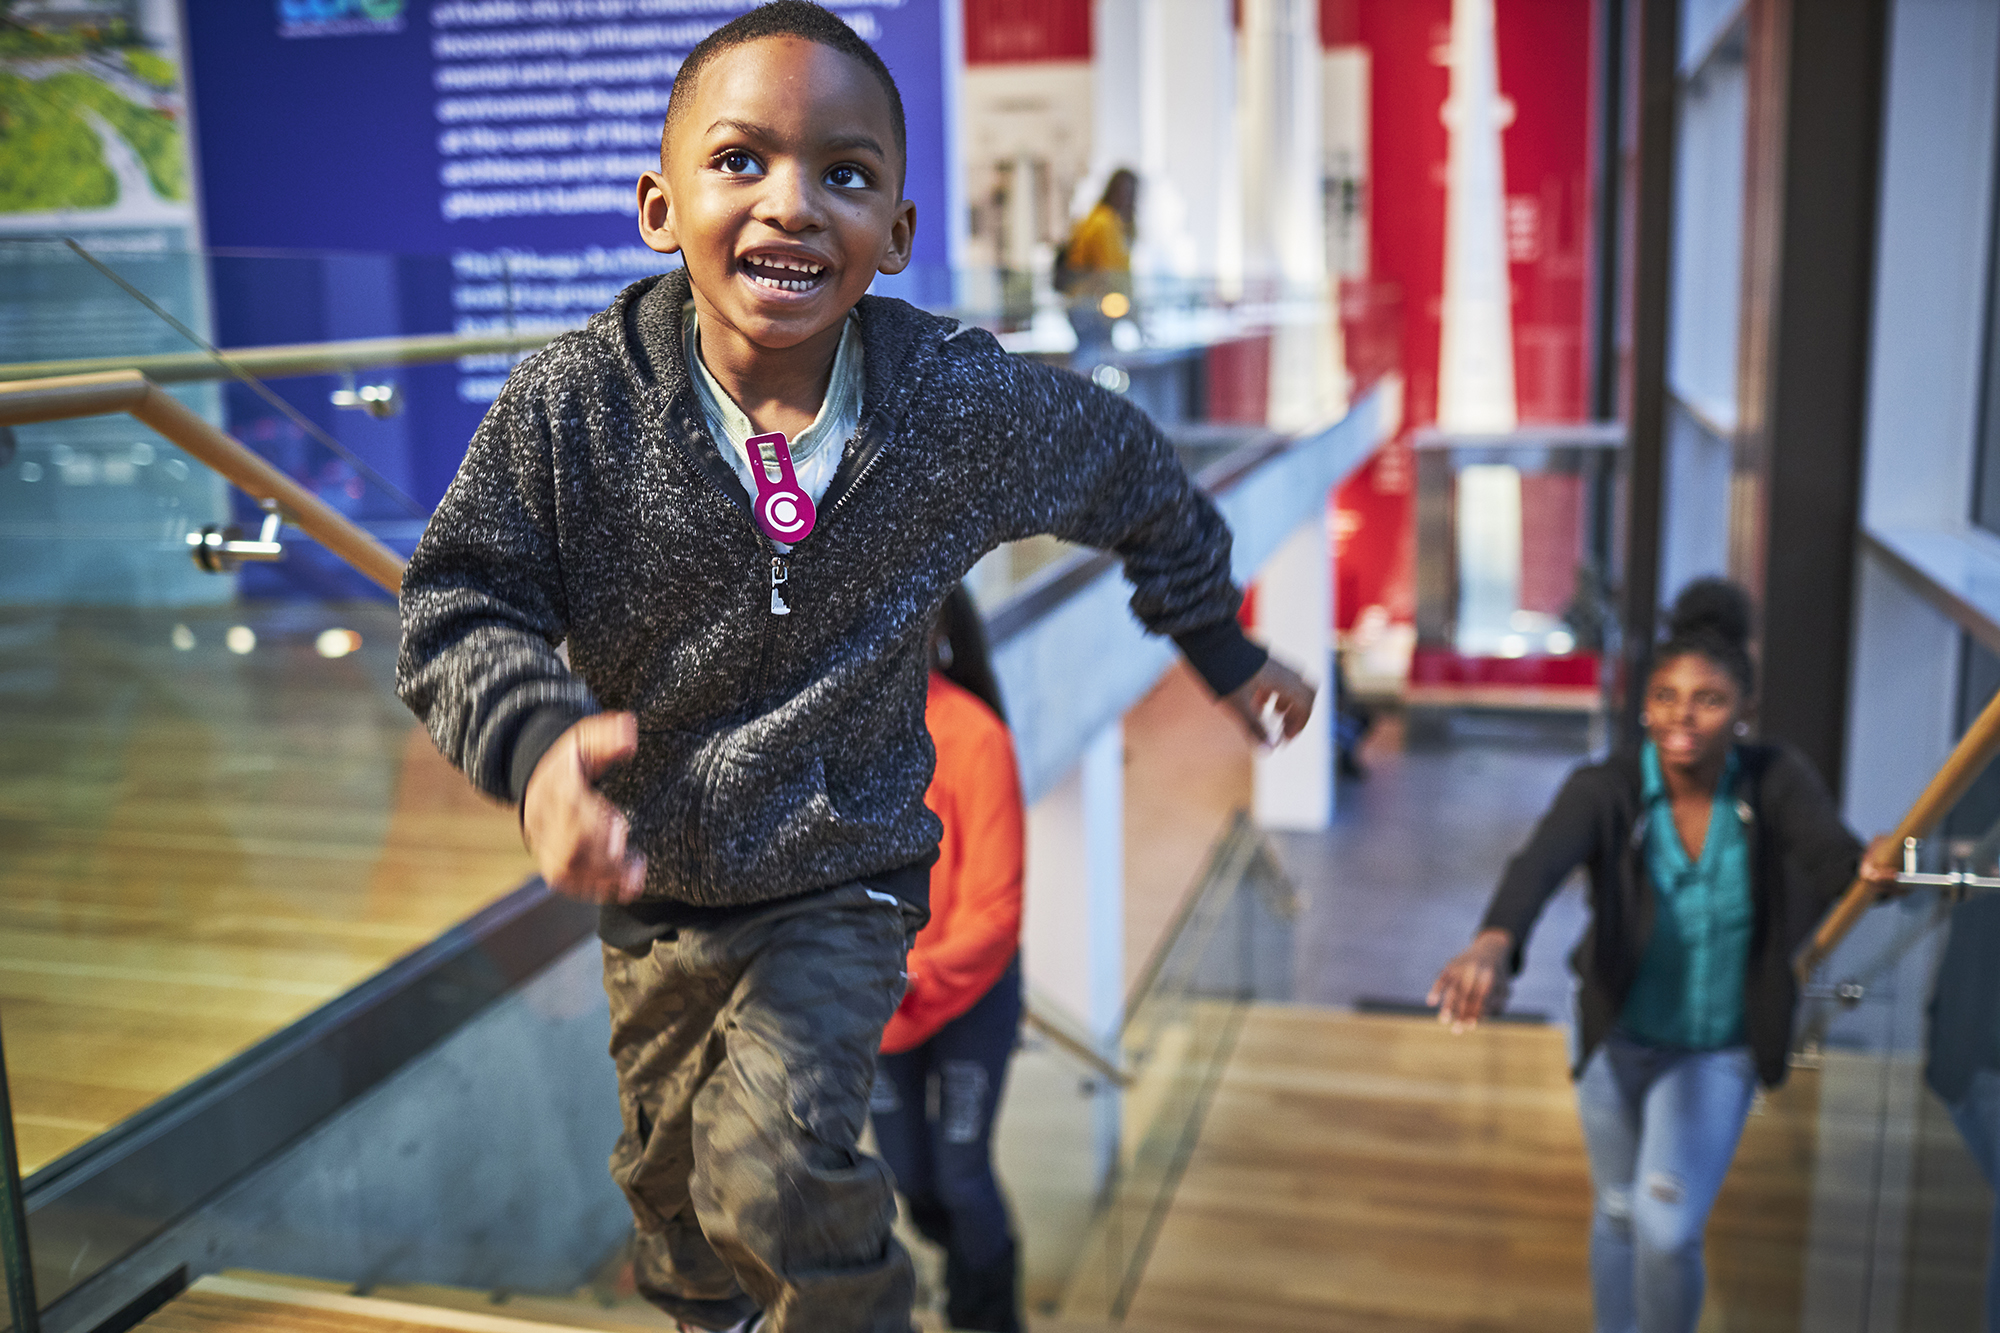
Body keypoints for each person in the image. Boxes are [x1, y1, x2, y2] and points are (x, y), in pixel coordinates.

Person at [395, 6, 1316, 1332]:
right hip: (657, 886)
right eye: (740, 162)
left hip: (843, 875)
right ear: (659, 206)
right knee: (672, 1200)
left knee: (774, 1171)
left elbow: (1131, 472)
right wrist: (536, 749)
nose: (791, 205)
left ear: (897, 234)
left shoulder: (955, 405)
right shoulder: (574, 408)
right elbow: (461, 602)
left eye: (845, 173)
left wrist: (1216, 641)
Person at [1427, 579, 1893, 1333]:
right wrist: (1491, 943)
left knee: (1666, 1223)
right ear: (1645, 704)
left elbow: (1839, 863)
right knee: (1617, 1210)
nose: (1683, 715)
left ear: (1744, 709)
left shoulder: (1774, 780)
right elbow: (1537, 867)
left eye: (1709, 698)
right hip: (1616, 1037)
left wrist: (1876, 865)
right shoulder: (1607, 787)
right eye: (1667, 695)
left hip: (1715, 1050)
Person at [869, 586, 1025, 1333]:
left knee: (962, 1176)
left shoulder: (977, 735)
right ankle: (967, 1267)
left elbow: (994, 915)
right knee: (905, 1176)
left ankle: (987, 1314)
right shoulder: (844, 734)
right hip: (880, 1006)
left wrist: (911, 975)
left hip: (968, 995)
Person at [1058, 167, 1137, 359]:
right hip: (1090, 306)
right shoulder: (1104, 221)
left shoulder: (1111, 221)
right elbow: (1108, 273)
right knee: (1093, 361)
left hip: (1092, 305)